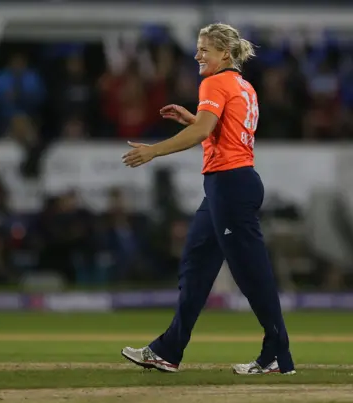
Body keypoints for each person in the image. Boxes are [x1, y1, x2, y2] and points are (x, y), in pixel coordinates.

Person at [120, 23, 296, 375]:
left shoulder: (214, 82)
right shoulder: (244, 86)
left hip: (229, 186)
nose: (197, 55)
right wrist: (195, 119)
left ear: (225, 54)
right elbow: (218, 132)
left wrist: (154, 151)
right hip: (231, 184)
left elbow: (204, 131)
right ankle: (168, 351)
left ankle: (277, 354)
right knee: (196, 267)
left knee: (251, 274)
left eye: (204, 49)